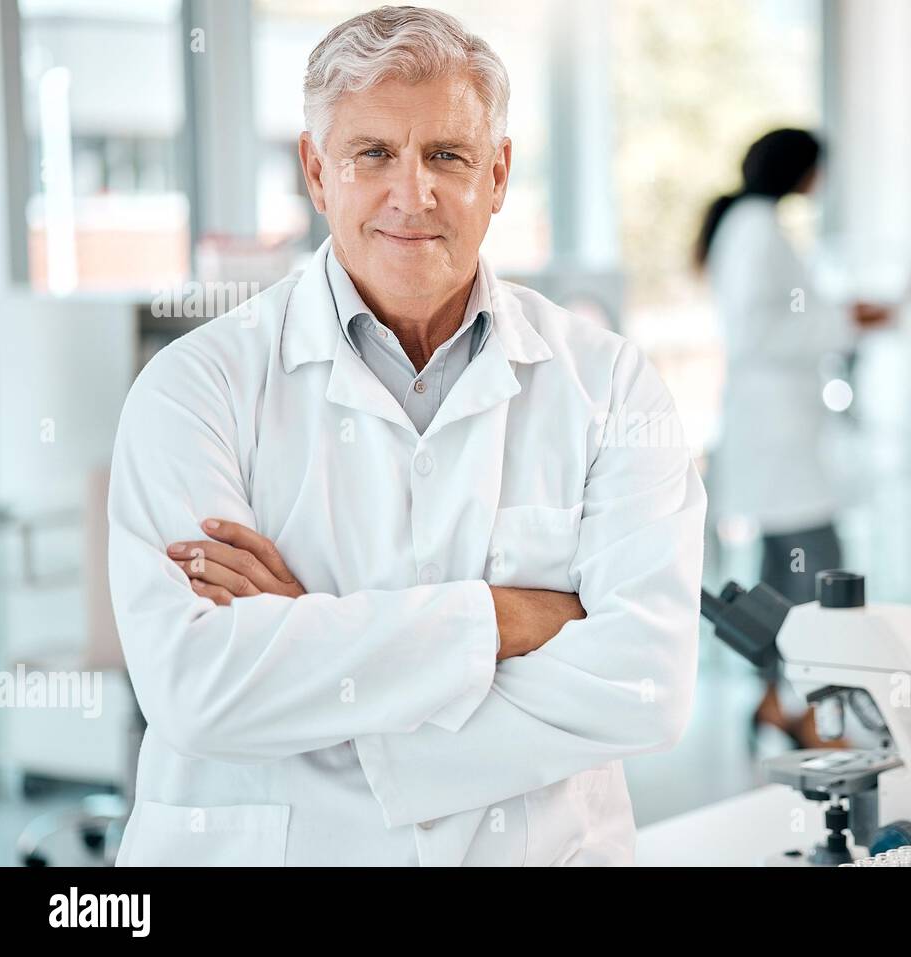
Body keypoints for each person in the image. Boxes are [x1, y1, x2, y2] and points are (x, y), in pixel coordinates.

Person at [106, 6, 705, 866]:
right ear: (318, 172)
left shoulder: (610, 386)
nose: (411, 194)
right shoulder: (194, 389)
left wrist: (310, 645)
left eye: (448, 157)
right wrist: (503, 617)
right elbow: (199, 688)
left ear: (498, 175)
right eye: (374, 154)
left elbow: (645, 684)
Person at [696, 128, 887, 750]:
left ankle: (780, 702)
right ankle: (810, 716)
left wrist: (835, 319)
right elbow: (757, 331)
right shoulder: (755, 228)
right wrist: (841, 322)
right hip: (778, 438)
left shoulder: (756, 224)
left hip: (778, 436)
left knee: (781, 583)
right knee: (817, 581)